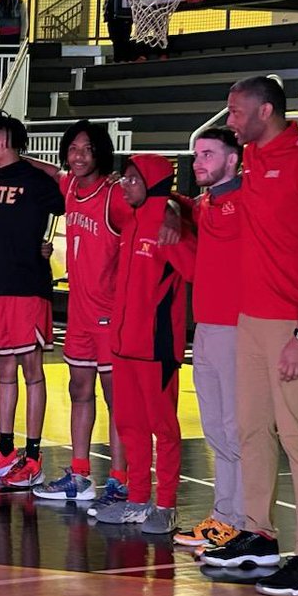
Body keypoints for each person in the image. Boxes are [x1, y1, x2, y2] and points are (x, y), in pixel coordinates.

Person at [202, 75, 298, 596]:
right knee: (253, 431)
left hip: (295, 321)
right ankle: (258, 536)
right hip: (251, 319)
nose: (229, 119)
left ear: (264, 111)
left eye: (236, 111)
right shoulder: (256, 156)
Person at [0, 110, 64, 486]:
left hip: (28, 287)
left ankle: (33, 457)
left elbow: (65, 185)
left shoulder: (36, 180)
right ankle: (5, 451)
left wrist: (26, 156)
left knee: (31, 373)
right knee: (4, 372)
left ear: (4, 141)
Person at [34, 120, 131, 507]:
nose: (78, 155)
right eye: (73, 148)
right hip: (79, 313)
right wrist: (11, 153)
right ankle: (80, 474)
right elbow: (47, 170)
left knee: (116, 400)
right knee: (79, 391)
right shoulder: (71, 186)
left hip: (110, 314)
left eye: (87, 149)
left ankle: (121, 480)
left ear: (101, 153)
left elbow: (150, 216)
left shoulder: (115, 195)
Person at [92, 154, 186, 535]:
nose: (125, 185)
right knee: (129, 425)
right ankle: (137, 500)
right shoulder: (132, 222)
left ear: (153, 181)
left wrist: (176, 210)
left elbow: (195, 271)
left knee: (163, 428)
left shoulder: (169, 227)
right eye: (125, 178)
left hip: (155, 349)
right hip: (124, 346)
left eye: (133, 179)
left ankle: (166, 505)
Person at [165, 128, 247, 551]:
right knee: (215, 428)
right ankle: (224, 516)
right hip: (209, 327)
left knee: (235, 428)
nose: (198, 162)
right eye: (196, 154)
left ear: (233, 160)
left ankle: (244, 522)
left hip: (237, 329)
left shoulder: (244, 201)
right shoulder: (206, 203)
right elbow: (188, 210)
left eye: (209, 154)